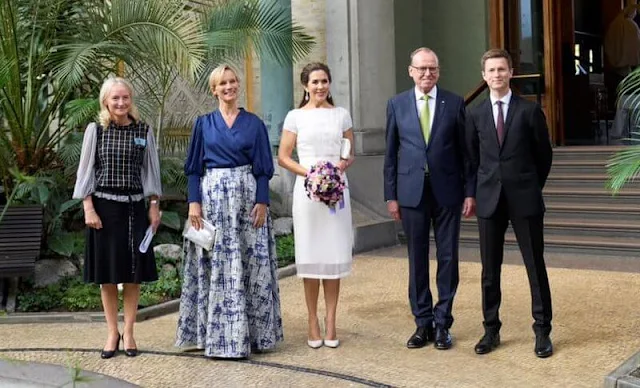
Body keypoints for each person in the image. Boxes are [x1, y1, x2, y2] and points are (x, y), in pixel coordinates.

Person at [175, 64, 283, 358]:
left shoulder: (254, 123)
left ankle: (257, 336)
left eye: (233, 81)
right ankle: (215, 336)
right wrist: (193, 203)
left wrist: (262, 201)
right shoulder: (204, 124)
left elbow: (264, 168)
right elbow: (194, 169)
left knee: (252, 264)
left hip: (248, 201)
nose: (229, 86)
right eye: (222, 83)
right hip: (212, 202)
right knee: (216, 267)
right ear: (214, 89)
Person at [383, 47, 475, 350]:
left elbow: (466, 155)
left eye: (432, 68)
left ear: (439, 71)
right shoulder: (396, 104)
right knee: (417, 260)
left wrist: (470, 192)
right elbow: (391, 155)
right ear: (410, 71)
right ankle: (422, 323)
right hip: (411, 195)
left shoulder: (455, 102)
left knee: (448, 259)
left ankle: (443, 322)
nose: (427, 74)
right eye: (421, 68)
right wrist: (391, 196)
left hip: (448, 192)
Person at [465, 49, 553, 358]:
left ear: (511, 72)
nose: (497, 75)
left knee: (535, 266)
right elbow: (472, 158)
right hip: (490, 200)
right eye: (492, 70)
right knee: (490, 270)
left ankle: (542, 331)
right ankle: (491, 329)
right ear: (484, 75)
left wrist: (529, 186)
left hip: (525, 198)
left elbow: (544, 156)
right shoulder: (474, 114)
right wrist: (475, 192)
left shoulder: (529, 111)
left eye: (502, 69)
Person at [73, 77, 162, 359]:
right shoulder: (95, 131)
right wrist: (88, 207)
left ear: (130, 99)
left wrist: (154, 204)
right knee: (108, 277)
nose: (121, 103)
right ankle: (112, 332)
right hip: (104, 209)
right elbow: (86, 171)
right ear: (105, 102)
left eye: (125, 97)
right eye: (115, 99)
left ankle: (130, 332)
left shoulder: (143, 130)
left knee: (133, 275)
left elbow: (150, 171)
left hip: (135, 209)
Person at [278, 62, 355, 349]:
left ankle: (332, 320)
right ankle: (312, 320)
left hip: (337, 190)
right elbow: (284, 156)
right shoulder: (295, 116)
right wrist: (311, 174)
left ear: (329, 83)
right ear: (305, 86)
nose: (320, 86)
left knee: (333, 255)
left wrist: (338, 169)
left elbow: (350, 152)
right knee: (311, 255)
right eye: (315, 82)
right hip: (307, 191)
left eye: (324, 81)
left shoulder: (341, 115)